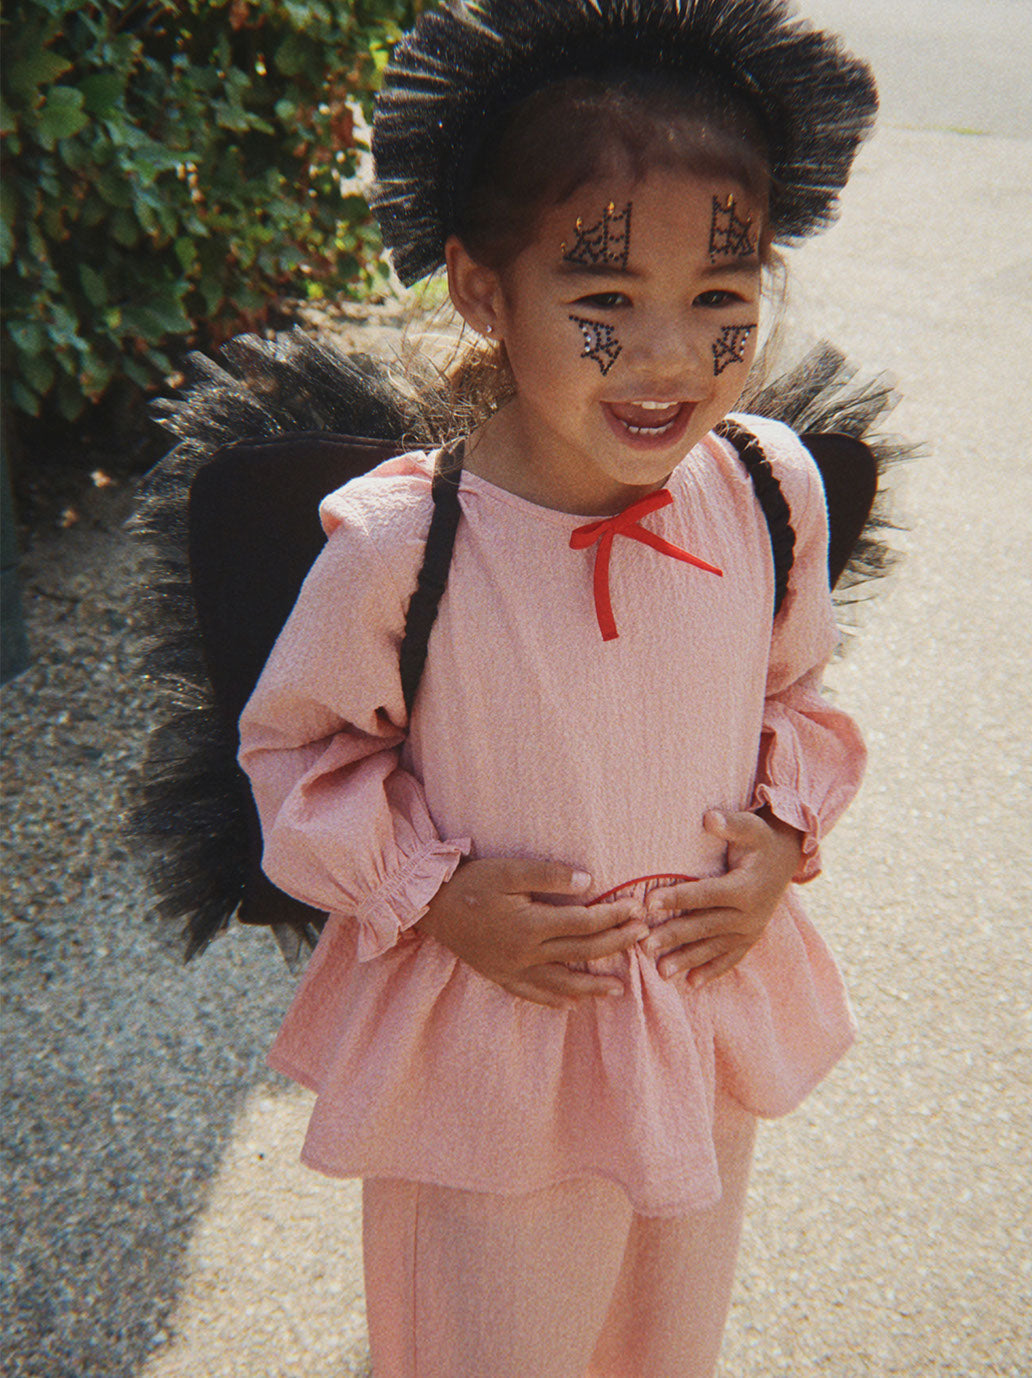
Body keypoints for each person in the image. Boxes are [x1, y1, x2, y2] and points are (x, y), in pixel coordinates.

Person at [237, 2, 878, 1373]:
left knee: (661, 1327)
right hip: (500, 1050)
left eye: (721, 301)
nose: (668, 360)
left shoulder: (768, 491)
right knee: (483, 1341)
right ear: (482, 290)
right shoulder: (407, 546)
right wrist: (427, 891)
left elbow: (798, 698)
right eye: (604, 304)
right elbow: (294, 759)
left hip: (685, 1027)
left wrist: (780, 841)